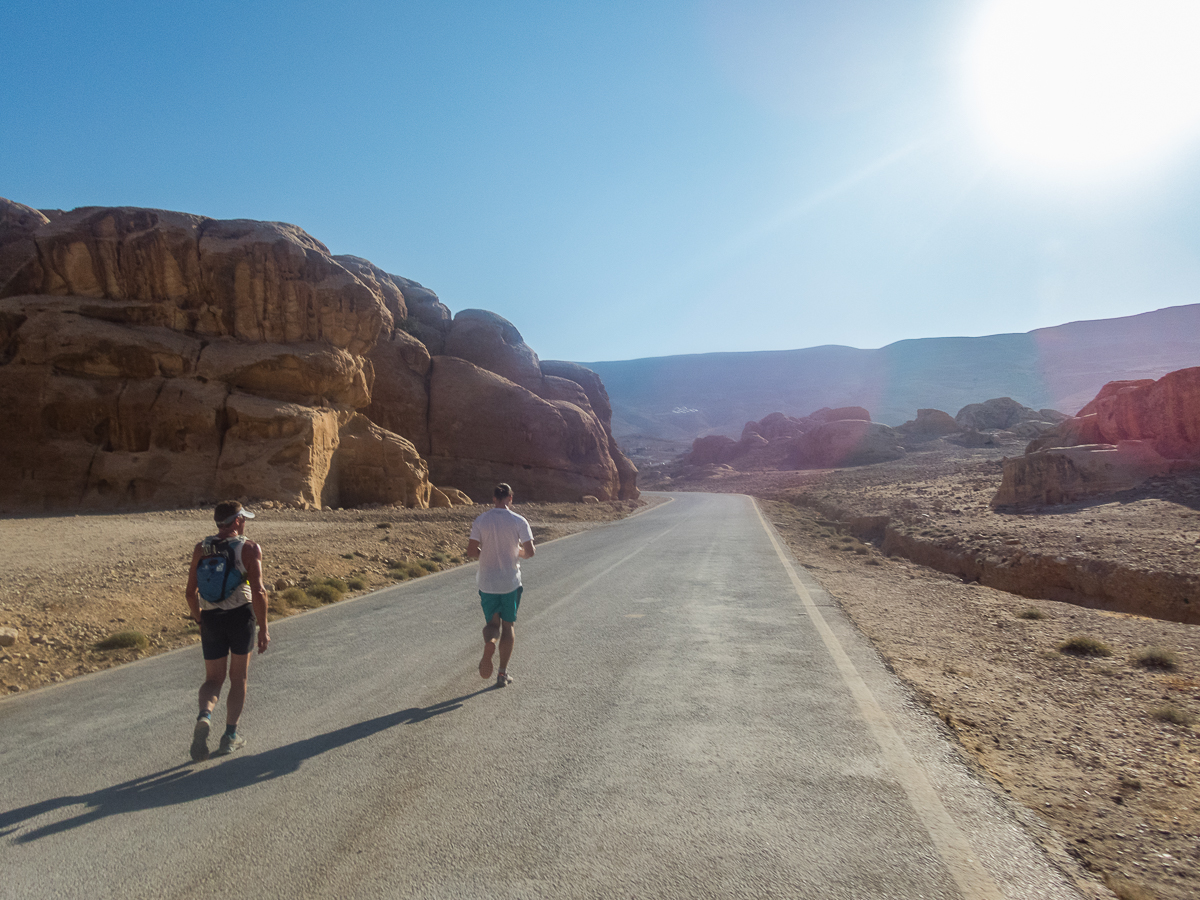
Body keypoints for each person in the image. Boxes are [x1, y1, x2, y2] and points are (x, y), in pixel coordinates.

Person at [184, 500, 270, 761]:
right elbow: (259, 591)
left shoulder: (202, 548)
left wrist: (200, 620)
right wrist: (264, 628)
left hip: (211, 618)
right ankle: (230, 736)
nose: (244, 522)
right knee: (238, 679)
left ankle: (205, 716)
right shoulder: (249, 548)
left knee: (213, 679)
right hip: (239, 617)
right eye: (242, 518)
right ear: (235, 521)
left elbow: (190, 593)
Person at [467, 483, 535, 687]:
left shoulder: (482, 519)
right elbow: (530, 552)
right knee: (508, 625)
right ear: (510, 498)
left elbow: (471, 550)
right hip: (510, 582)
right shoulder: (519, 520)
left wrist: (485, 556)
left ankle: (490, 642)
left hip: (487, 582)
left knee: (492, 625)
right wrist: (517, 553)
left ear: (494, 498)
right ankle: (502, 674)